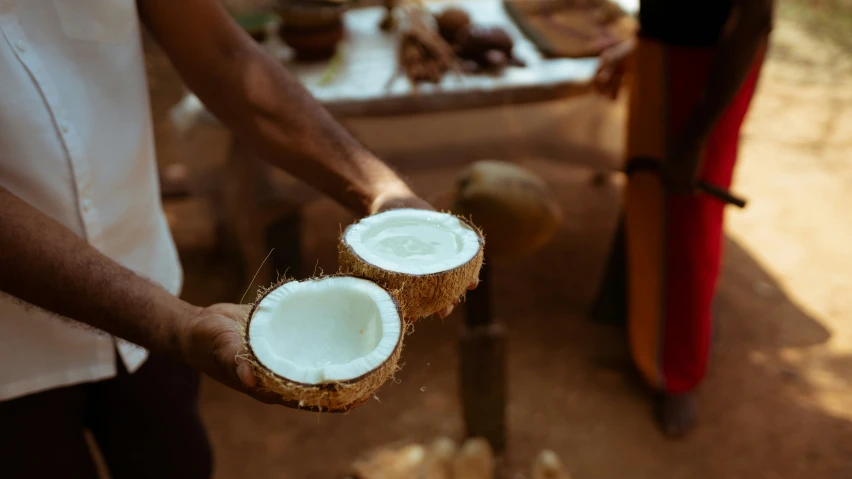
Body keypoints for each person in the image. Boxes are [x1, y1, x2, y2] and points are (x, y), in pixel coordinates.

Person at [0, 1, 467, 477]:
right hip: (11, 358)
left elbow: (222, 54)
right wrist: (172, 326)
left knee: (177, 461)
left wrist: (379, 190)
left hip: (147, 276)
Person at [590, 0, 774, 436]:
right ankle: (638, 318)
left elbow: (754, 19)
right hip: (666, 56)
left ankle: (680, 373)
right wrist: (640, 45)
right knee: (649, 198)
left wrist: (695, 138)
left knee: (688, 225)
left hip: (702, 76)